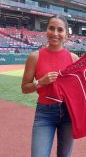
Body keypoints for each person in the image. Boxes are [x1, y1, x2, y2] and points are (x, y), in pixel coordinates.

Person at [21, 15, 79, 157]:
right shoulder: (35, 57)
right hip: (45, 114)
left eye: (60, 30)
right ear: (46, 30)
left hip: (68, 114)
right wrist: (40, 82)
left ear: (66, 35)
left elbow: (82, 87)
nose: (55, 33)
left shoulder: (73, 58)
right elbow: (24, 88)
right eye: (51, 28)